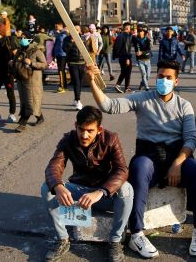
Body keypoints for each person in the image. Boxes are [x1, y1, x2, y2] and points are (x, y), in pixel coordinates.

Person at [86, 60, 196, 259]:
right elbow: (109, 106)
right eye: (160, 76)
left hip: (177, 155)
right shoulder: (142, 98)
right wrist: (91, 81)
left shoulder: (184, 105)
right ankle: (136, 233)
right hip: (149, 155)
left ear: (176, 81)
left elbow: (191, 139)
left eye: (168, 78)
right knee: (139, 168)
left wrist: (177, 164)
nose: (164, 81)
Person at [42, 106, 132, 262]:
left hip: (104, 196)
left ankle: (115, 241)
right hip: (80, 194)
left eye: (90, 131)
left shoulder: (110, 139)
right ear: (75, 126)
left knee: (126, 189)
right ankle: (63, 239)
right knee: (48, 188)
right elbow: (53, 166)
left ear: (99, 129)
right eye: (81, 129)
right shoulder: (68, 140)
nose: (84, 135)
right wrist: (59, 186)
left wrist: (100, 192)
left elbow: (122, 170)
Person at [13, 35, 46, 132]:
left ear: (30, 40)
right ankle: (39, 117)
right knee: (26, 101)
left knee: (30, 102)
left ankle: (23, 123)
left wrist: (31, 63)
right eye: (21, 38)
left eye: (25, 38)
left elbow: (44, 64)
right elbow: (15, 61)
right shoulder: (20, 51)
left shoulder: (37, 51)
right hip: (21, 80)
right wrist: (13, 63)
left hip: (33, 81)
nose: (22, 40)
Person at [63, 26, 87, 110]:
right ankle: (78, 100)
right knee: (76, 81)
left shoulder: (83, 38)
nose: (76, 31)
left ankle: (76, 98)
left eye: (77, 30)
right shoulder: (67, 39)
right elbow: (65, 49)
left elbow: (87, 50)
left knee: (80, 82)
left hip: (82, 63)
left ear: (80, 31)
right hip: (72, 63)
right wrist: (71, 42)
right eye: (74, 29)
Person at [112, 22, 134, 93]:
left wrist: (116, 55)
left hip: (121, 57)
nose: (130, 29)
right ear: (127, 28)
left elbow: (116, 47)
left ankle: (126, 87)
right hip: (126, 57)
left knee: (125, 72)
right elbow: (126, 49)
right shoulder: (126, 36)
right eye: (129, 28)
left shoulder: (119, 36)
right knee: (126, 72)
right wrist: (127, 58)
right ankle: (118, 85)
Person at [52, 22, 69, 93]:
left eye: (57, 26)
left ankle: (62, 87)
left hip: (62, 54)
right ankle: (64, 86)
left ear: (61, 26)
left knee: (61, 71)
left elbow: (62, 40)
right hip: (59, 54)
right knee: (61, 71)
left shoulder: (64, 33)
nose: (56, 27)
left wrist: (58, 33)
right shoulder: (59, 33)